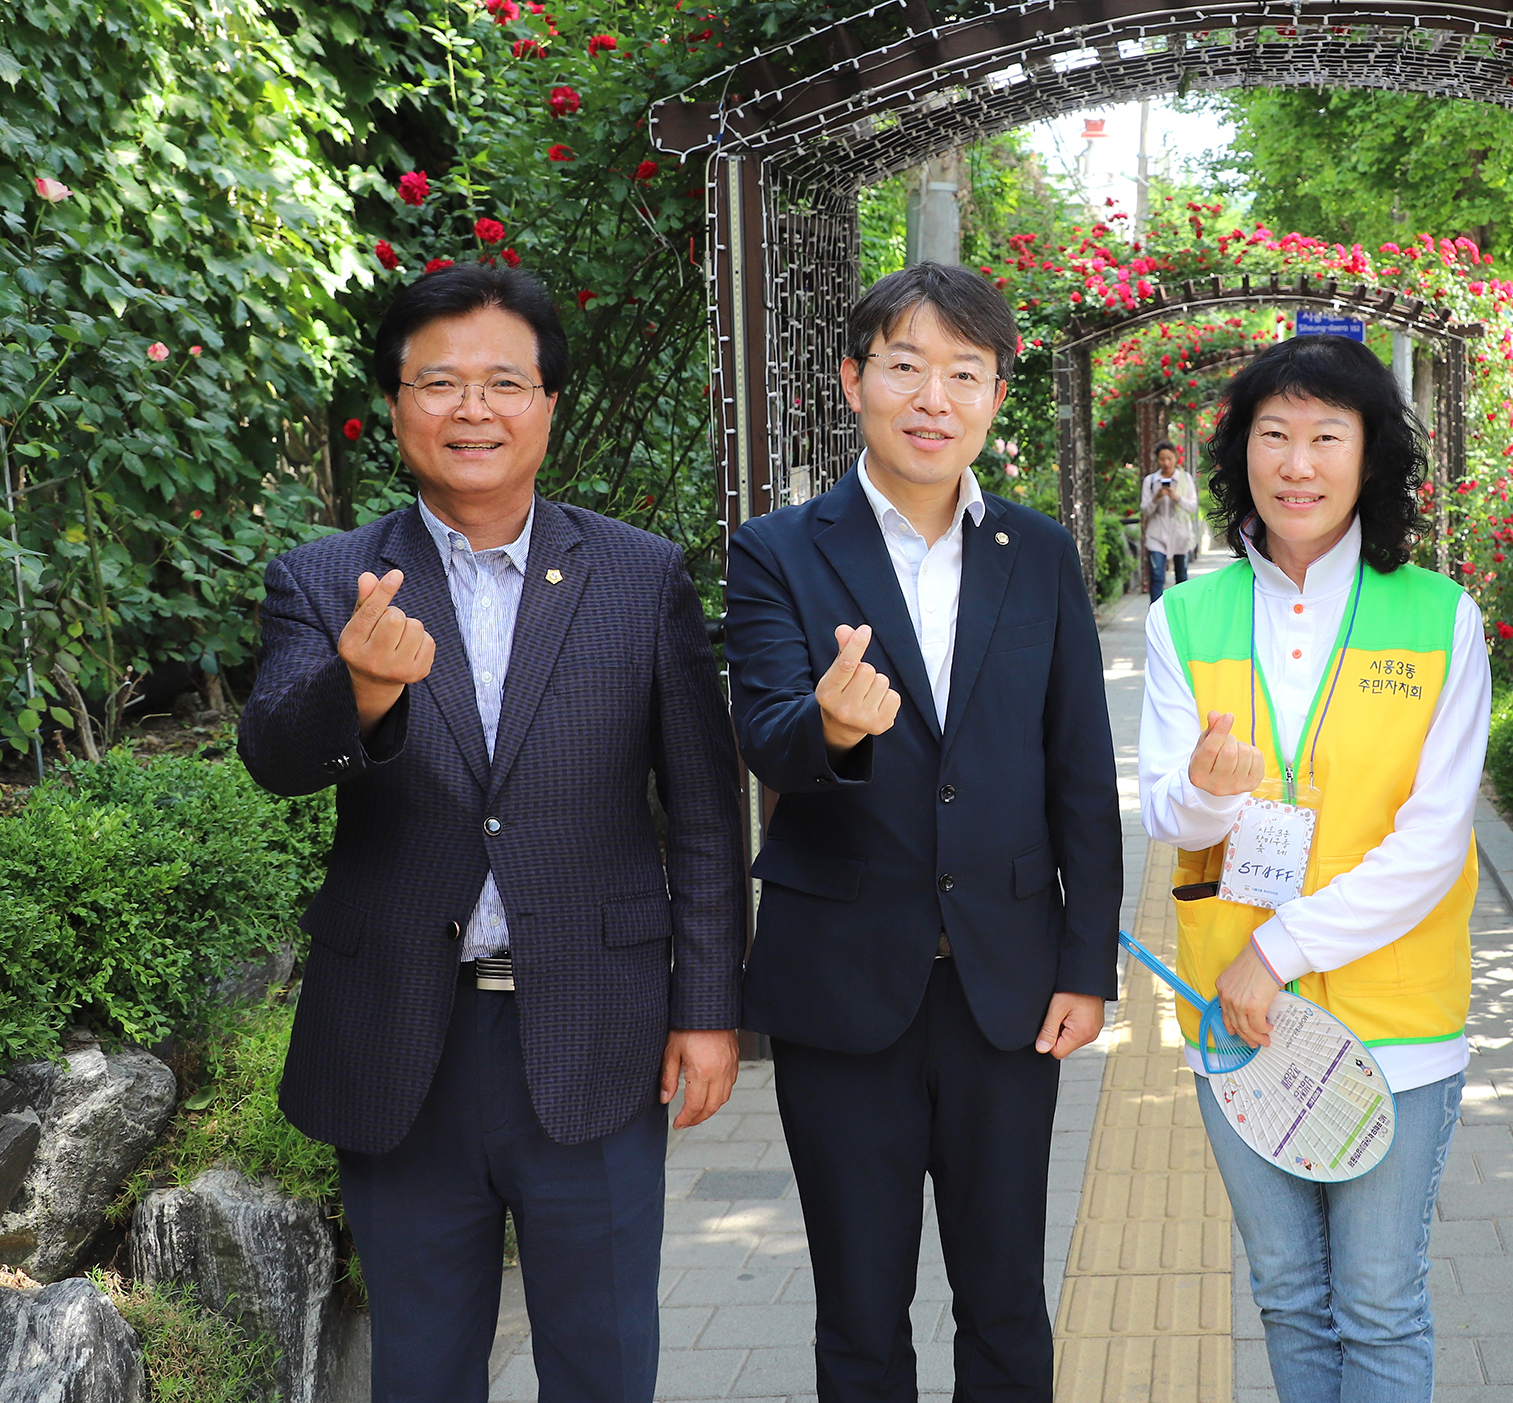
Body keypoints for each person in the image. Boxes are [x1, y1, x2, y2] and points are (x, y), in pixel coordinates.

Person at [237, 264, 746, 1403]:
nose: (474, 409)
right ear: (397, 403)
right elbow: (273, 756)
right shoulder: (326, 580)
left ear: (548, 405)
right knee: (420, 1367)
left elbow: (706, 812)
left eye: (505, 382)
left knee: (604, 1361)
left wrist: (709, 1009)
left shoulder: (638, 573)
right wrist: (358, 689)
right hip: (401, 1033)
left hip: (598, 1029)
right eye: (441, 383)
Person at [721, 262, 1122, 1403]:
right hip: (842, 984)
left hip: (1008, 985)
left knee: (1005, 1301)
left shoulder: (1039, 553)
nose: (932, 397)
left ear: (996, 395)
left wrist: (1085, 963)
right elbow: (766, 736)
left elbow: (1081, 774)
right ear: (854, 380)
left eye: (964, 373)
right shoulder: (780, 550)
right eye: (904, 366)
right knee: (859, 1305)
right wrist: (832, 729)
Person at [1137, 335, 1491, 1403]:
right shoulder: (1181, 617)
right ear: (1240, 454)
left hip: (1394, 1020)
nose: (1297, 463)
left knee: (1378, 1302)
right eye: (1273, 436)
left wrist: (1279, 952)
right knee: (1288, 1291)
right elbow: (1167, 808)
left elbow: (1433, 842)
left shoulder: (1440, 616)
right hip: (1238, 1021)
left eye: (1325, 437)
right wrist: (1207, 786)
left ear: (1370, 457)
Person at [1141, 439, 1200, 600]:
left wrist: (1176, 497)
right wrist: (1157, 497)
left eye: (1169, 458)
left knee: (1181, 578)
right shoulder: (1151, 481)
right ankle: (1156, 616)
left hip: (1180, 535)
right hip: (1157, 535)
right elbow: (1145, 510)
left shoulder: (1184, 479)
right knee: (1157, 576)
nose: (1166, 463)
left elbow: (1193, 507)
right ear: (1157, 460)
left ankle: (1181, 617)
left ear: (1175, 457)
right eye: (1162, 459)